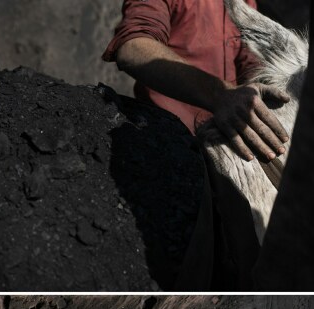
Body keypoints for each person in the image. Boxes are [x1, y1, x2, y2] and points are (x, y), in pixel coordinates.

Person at [103, 0, 293, 287]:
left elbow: (249, 63)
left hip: (228, 131)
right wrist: (220, 96)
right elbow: (133, 46)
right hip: (176, 144)